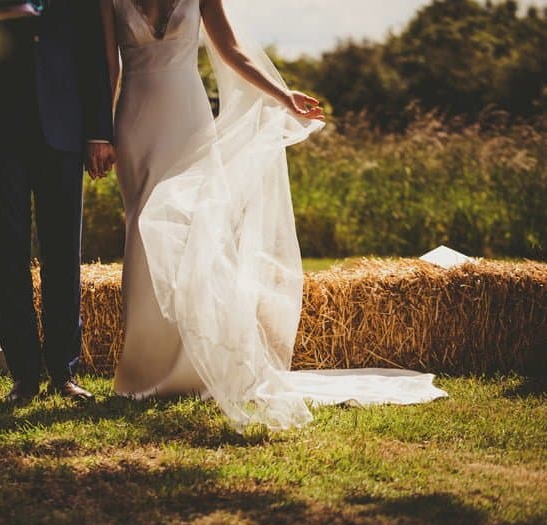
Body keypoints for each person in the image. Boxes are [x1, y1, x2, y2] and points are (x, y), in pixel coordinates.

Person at [103, 0, 447, 431]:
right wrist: (100, 130)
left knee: (198, 233)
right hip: (135, 120)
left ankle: (199, 367)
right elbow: (108, 67)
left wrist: (283, 96)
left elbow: (233, 51)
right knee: (142, 231)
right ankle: (143, 371)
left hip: (187, 118)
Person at [0, 1, 116, 403]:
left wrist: (97, 132)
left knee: (62, 254)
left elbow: (91, 53)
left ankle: (63, 371)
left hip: (63, 132)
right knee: (7, 253)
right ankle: (23, 374)